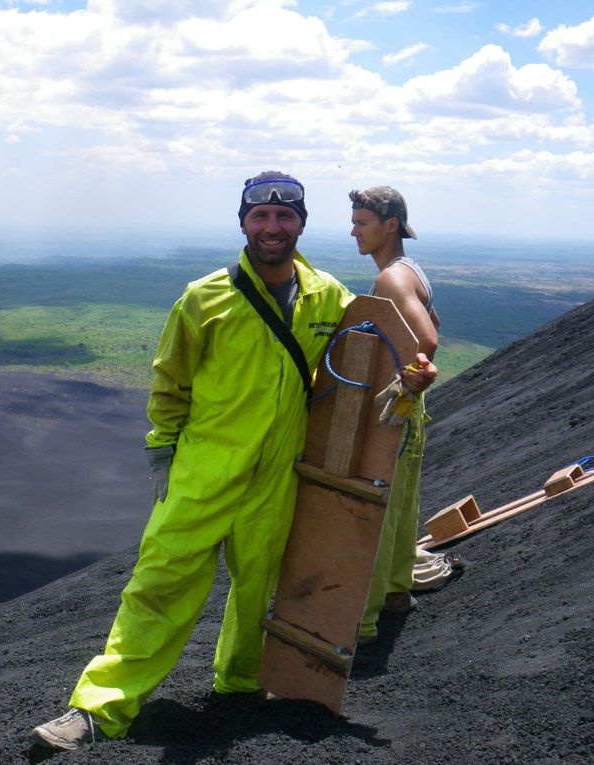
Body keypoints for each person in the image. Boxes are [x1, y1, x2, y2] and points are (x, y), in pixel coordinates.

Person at [31, 171, 353, 753]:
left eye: (285, 217)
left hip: (278, 476)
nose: (273, 227)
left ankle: (239, 685)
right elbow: (170, 383)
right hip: (203, 472)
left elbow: (364, 360)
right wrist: (162, 452)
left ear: (302, 223)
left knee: (260, 589)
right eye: (261, 217)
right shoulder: (205, 297)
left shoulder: (329, 297)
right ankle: (99, 707)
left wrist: (413, 378)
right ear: (243, 222)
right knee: (159, 584)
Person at [348, 185, 440, 643]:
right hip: (412, 413)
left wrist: (399, 384)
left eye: (362, 223)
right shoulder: (412, 272)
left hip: (395, 413)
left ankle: (362, 625)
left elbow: (427, 339)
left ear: (390, 225)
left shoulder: (390, 279)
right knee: (402, 505)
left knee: (376, 512)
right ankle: (398, 594)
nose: (353, 231)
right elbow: (434, 321)